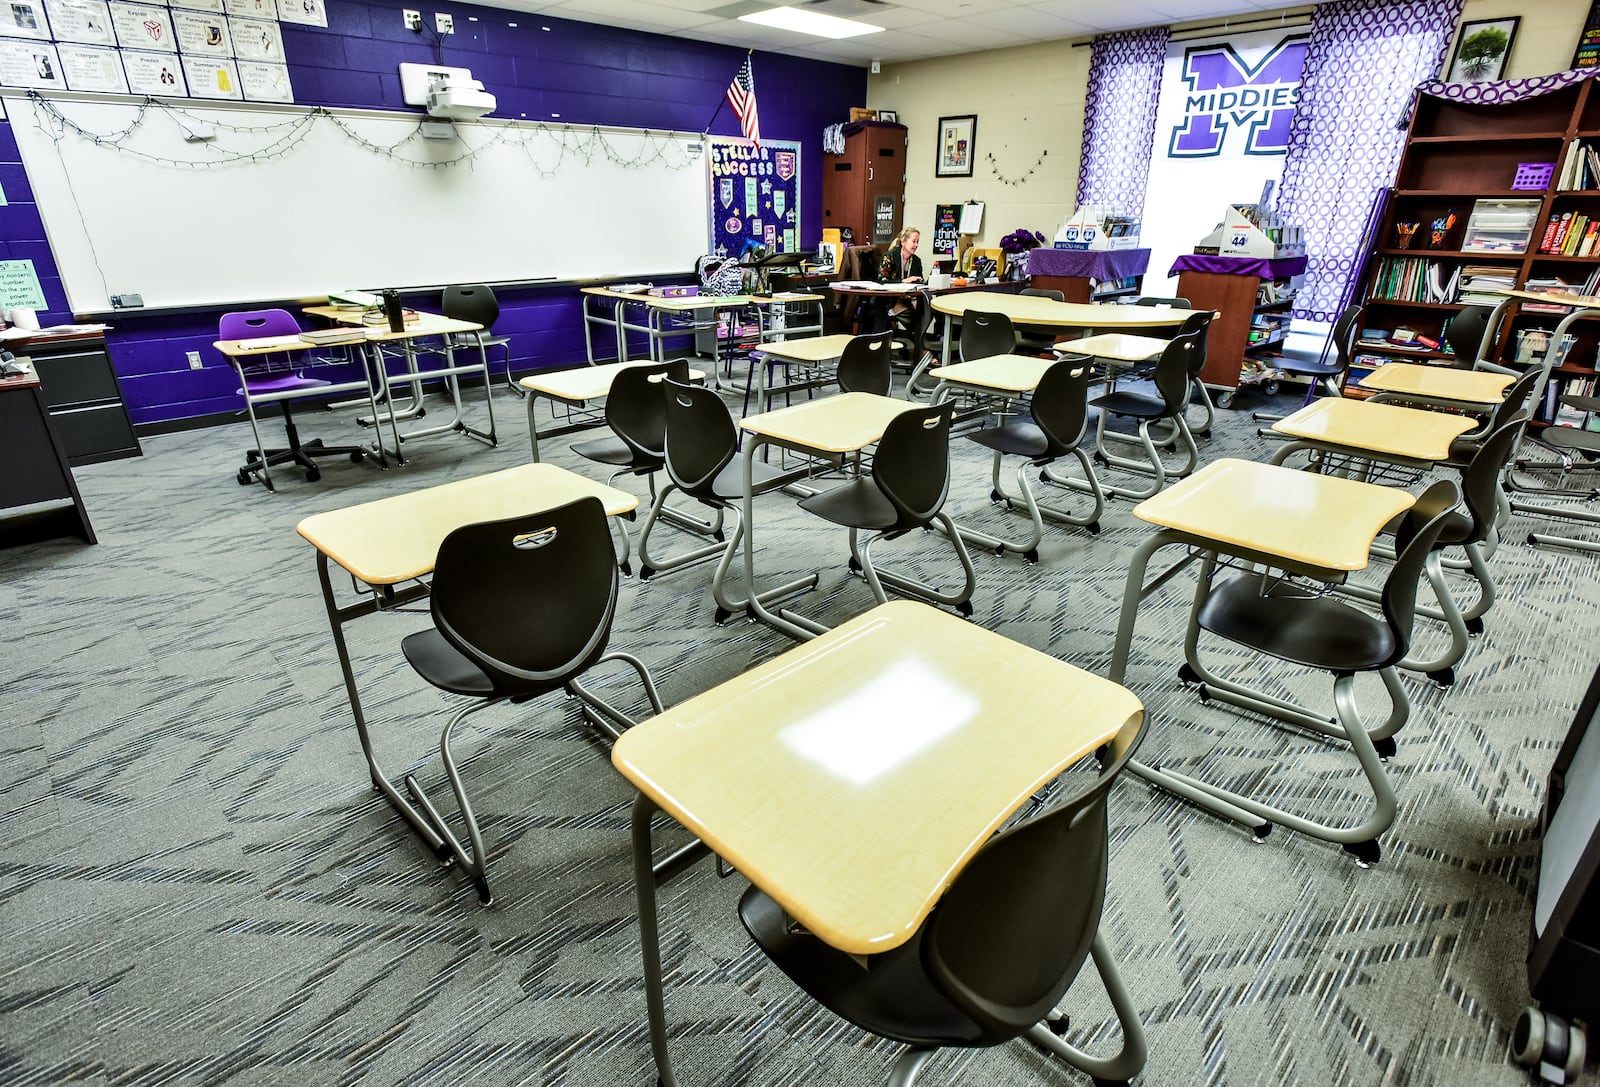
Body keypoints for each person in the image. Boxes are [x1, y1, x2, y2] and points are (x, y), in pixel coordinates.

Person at [879, 227, 923, 321]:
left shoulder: (916, 261)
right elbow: (882, 281)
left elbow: (920, 281)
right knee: (917, 318)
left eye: (917, 242)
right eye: (914, 241)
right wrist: (903, 281)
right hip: (889, 300)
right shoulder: (889, 257)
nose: (916, 245)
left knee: (927, 312)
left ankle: (919, 335)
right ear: (903, 242)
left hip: (908, 299)